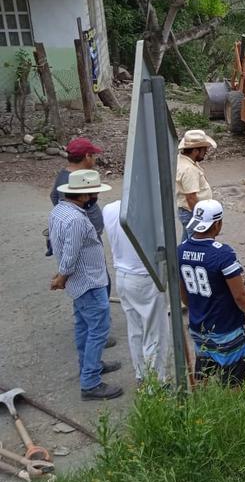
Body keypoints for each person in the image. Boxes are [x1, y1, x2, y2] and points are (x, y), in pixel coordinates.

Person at [48, 169, 123, 401]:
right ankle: (90, 382)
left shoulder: (60, 211)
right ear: (83, 195)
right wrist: (62, 275)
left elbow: (59, 245)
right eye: (92, 193)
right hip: (89, 280)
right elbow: (71, 252)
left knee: (83, 326)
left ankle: (90, 366)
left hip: (80, 282)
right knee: (98, 329)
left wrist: (63, 274)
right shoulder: (77, 219)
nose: (94, 197)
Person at [177, 199, 245, 385]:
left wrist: (198, 309)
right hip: (226, 329)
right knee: (235, 381)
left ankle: (205, 411)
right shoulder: (223, 255)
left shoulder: (180, 251)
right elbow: (240, 296)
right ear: (216, 224)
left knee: (204, 373)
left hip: (198, 327)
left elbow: (183, 294)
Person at [102, 200, 171, 385]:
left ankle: (141, 374)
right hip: (145, 277)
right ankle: (156, 383)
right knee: (155, 333)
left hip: (123, 275)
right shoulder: (147, 212)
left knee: (135, 329)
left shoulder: (109, 208)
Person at [175, 130, 216, 241]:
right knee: (197, 242)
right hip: (191, 213)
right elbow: (191, 197)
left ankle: (181, 257)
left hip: (186, 211)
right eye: (204, 149)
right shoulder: (189, 169)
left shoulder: (182, 159)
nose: (206, 152)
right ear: (195, 151)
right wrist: (200, 218)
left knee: (187, 242)